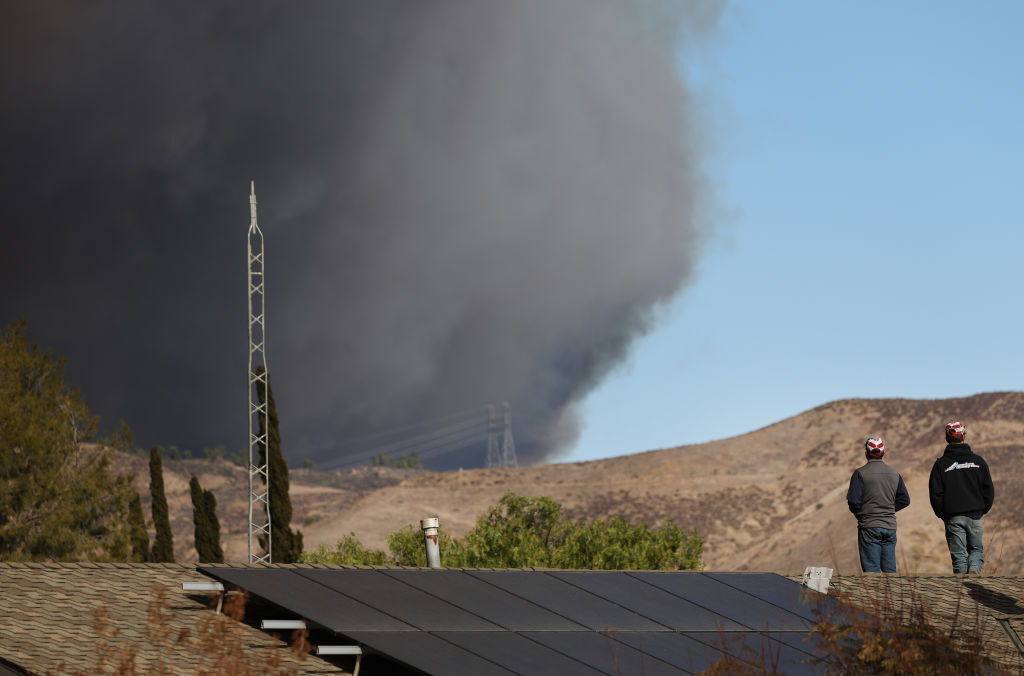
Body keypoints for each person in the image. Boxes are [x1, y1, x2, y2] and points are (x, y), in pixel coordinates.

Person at [928, 421, 994, 574]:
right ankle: (974, 571)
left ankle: (961, 592)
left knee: (959, 558)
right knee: (976, 550)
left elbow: (935, 494)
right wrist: (982, 509)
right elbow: (988, 489)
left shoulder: (940, 465)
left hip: (953, 517)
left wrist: (943, 514)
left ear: (947, 438)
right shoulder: (979, 462)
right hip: (975, 516)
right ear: (963, 437)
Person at [847, 437, 911, 573]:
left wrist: (862, 515)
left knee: (872, 572)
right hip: (889, 527)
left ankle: (874, 595)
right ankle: (891, 594)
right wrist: (887, 509)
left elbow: (853, 501)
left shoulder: (860, 474)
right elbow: (905, 500)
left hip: (869, 526)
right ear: (883, 452)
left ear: (866, 453)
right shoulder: (895, 474)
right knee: (890, 572)